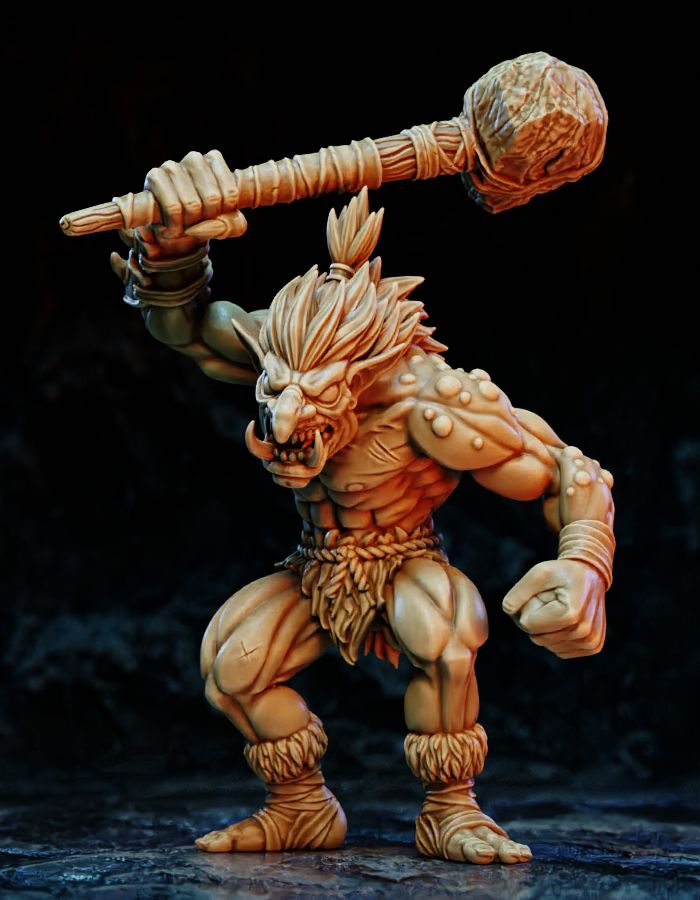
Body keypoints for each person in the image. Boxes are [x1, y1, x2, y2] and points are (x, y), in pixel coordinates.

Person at [111, 151, 615, 865]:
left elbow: (568, 470)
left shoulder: (430, 403)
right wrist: (172, 252)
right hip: (316, 565)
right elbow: (187, 328)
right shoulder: (276, 349)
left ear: (360, 377)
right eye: (274, 390)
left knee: (446, 636)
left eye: (313, 398)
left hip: (404, 559)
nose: (283, 420)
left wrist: (585, 564)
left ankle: (452, 809)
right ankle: (300, 807)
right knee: (231, 667)